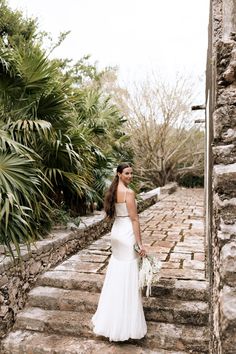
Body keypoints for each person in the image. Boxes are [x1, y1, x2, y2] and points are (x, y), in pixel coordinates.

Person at [91, 162, 147, 342]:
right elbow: (135, 219)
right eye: (127, 173)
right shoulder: (129, 193)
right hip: (127, 234)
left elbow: (112, 214)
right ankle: (126, 322)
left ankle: (112, 319)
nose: (130, 176)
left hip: (116, 232)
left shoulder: (112, 191)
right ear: (119, 174)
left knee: (117, 274)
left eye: (131, 173)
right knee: (128, 274)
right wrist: (140, 244)